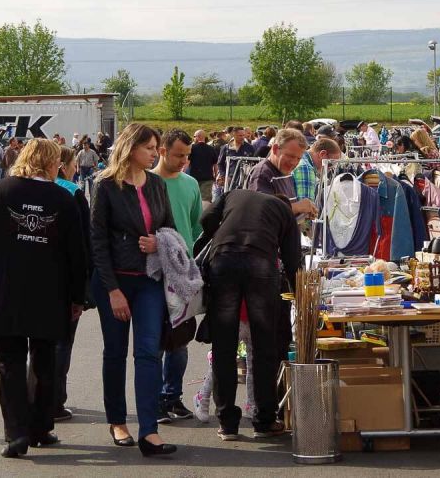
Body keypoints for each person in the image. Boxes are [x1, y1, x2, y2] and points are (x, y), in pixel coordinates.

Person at [0, 139, 87, 458]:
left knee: (9, 363)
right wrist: (77, 297)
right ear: (50, 162)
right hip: (49, 294)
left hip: (3, 292)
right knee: (44, 362)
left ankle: (16, 434)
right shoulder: (62, 198)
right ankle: (41, 428)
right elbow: (77, 254)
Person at [91, 123, 178, 457]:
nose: (155, 154)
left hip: (150, 280)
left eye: (156, 148)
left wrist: (160, 242)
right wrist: (112, 290)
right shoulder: (105, 185)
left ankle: (150, 431)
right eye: (150, 148)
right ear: (131, 148)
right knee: (114, 352)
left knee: (147, 353)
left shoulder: (156, 183)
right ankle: (117, 421)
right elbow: (97, 241)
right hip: (114, 282)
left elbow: (168, 226)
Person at [196, 189, 301, 440]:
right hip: (261, 264)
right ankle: (264, 420)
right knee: (264, 345)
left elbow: (206, 218)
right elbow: (292, 258)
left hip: (223, 260)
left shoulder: (234, 194)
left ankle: (227, 423)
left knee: (224, 345)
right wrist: (298, 293)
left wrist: (218, 234)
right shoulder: (284, 211)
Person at [152, 129, 202, 422]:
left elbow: (196, 227)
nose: (183, 160)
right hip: (156, 270)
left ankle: (174, 396)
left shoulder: (191, 183)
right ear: (162, 151)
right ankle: (156, 398)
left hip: (185, 272)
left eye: (187, 155)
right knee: (156, 339)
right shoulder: (148, 183)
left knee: (181, 339)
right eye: (178, 155)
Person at [52, 146, 93, 422]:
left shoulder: (17, 189)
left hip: (31, 281)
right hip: (65, 279)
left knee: (36, 343)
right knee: (62, 342)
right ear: (63, 165)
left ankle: (36, 395)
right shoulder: (72, 191)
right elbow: (85, 243)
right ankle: (55, 399)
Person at [248, 128, 318, 219]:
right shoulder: (262, 173)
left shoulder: (287, 171)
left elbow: (285, 212)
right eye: (290, 156)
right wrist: (298, 207)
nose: (294, 162)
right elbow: (263, 211)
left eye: (298, 158)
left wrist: (304, 213)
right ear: (275, 149)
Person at [292, 138, 342, 202]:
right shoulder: (306, 168)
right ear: (322, 154)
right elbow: (306, 208)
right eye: (330, 164)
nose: (329, 169)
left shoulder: (301, 159)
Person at [216, 126, 255, 199]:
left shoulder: (250, 148)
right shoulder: (226, 148)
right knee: (227, 199)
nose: (242, 137)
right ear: (233, 135)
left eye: (243, 135)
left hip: (244, 180)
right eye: (240, 135)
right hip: (230, 179)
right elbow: (220, 163)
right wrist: (224, 176)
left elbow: (254, 163)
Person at [186, 129, 218, 203]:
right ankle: (204, 214)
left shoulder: (192, 148)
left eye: (194, 136)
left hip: (192, 178)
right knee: (205, 200)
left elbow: (187, 162)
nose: (193, 138)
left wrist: (182, 173)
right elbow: (215, 164)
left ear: (198, 137)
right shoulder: (211, 149)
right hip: (207, 178)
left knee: (192, 199)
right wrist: (216, 176)